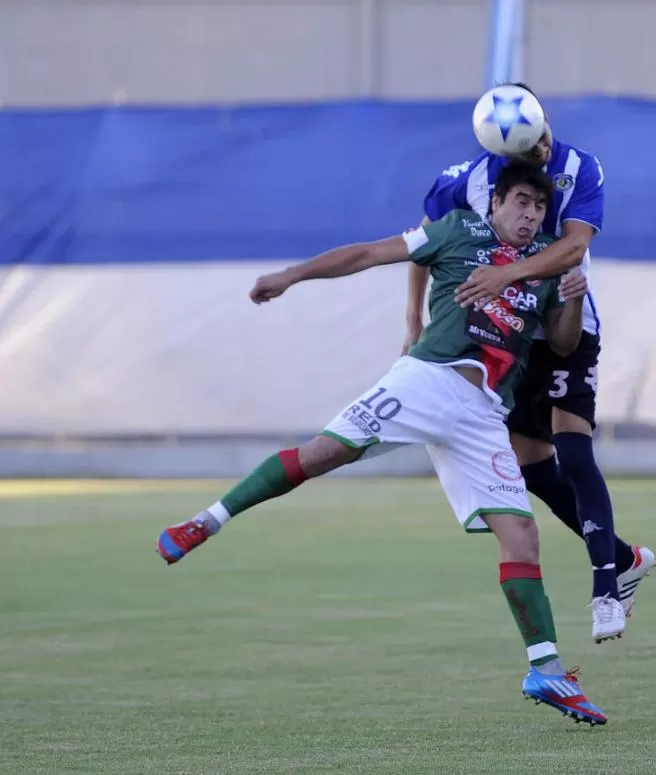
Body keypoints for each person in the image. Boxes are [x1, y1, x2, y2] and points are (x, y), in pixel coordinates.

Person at [155, 163, 608, 726]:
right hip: (427, 380)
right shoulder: (457, 230)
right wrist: (293, 275)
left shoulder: (545, 261)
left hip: (484, 413)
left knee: (522, 535)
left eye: (538, 207)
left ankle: (545, 669)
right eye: (519, 202)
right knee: (323, 454)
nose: (529, 215)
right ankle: (205, 521)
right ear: (495, 203)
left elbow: (563, 344)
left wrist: (568, 297)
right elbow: (368, 255)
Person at [403, 83, 655, 644]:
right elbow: (425, 243)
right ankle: (625, 556)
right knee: (532, 467)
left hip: (569, 323)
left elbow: (572, 247)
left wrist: (504, 275)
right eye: (523, 152)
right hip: (511, 336)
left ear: (544, 122)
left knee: (573, 445)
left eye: (540, 138)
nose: (538, 151)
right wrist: (413, 321)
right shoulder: (465, 182)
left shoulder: (581, 167)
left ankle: (606, 587)